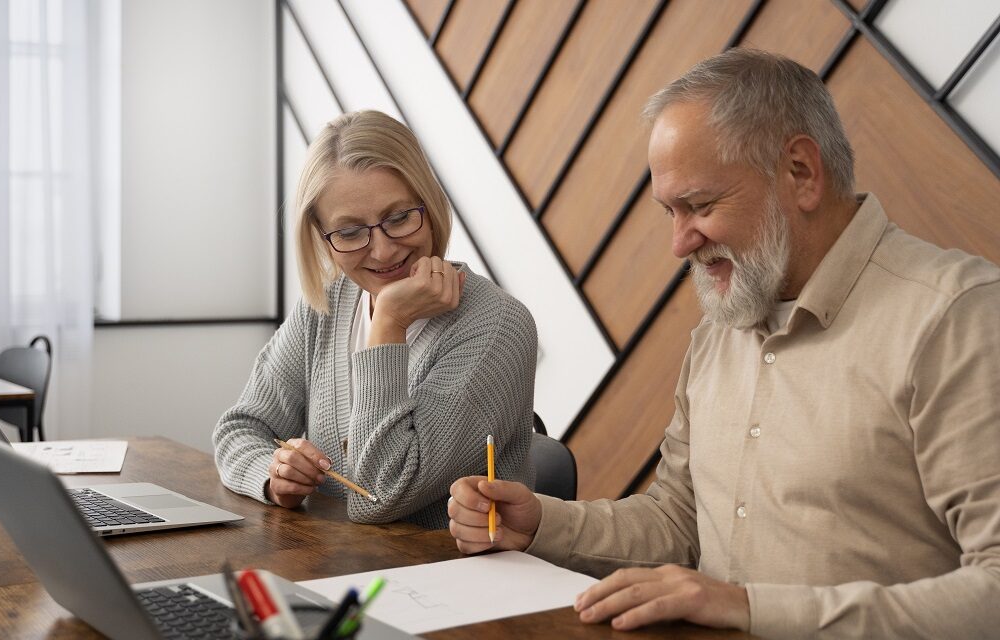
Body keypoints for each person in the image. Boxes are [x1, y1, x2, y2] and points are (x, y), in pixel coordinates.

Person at [447, 48, 1000, 637]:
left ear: (801, 173)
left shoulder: (957, 318)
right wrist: (539, 525)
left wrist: (749, 608)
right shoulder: (719, 332)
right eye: (670, 212)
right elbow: (681, 522)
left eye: (701, 205)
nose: (680, 243)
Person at [214, 110, 536, 529]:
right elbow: (241, 427)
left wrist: (388, 324)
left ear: (430, 203)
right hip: (337, 566)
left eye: (399, 218)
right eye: (349, 233)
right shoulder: (327, 305)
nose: (382, 251)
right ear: (322, 239)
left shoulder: (496, 327)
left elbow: (380, 496)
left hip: (450, 577)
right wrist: (274, 476)